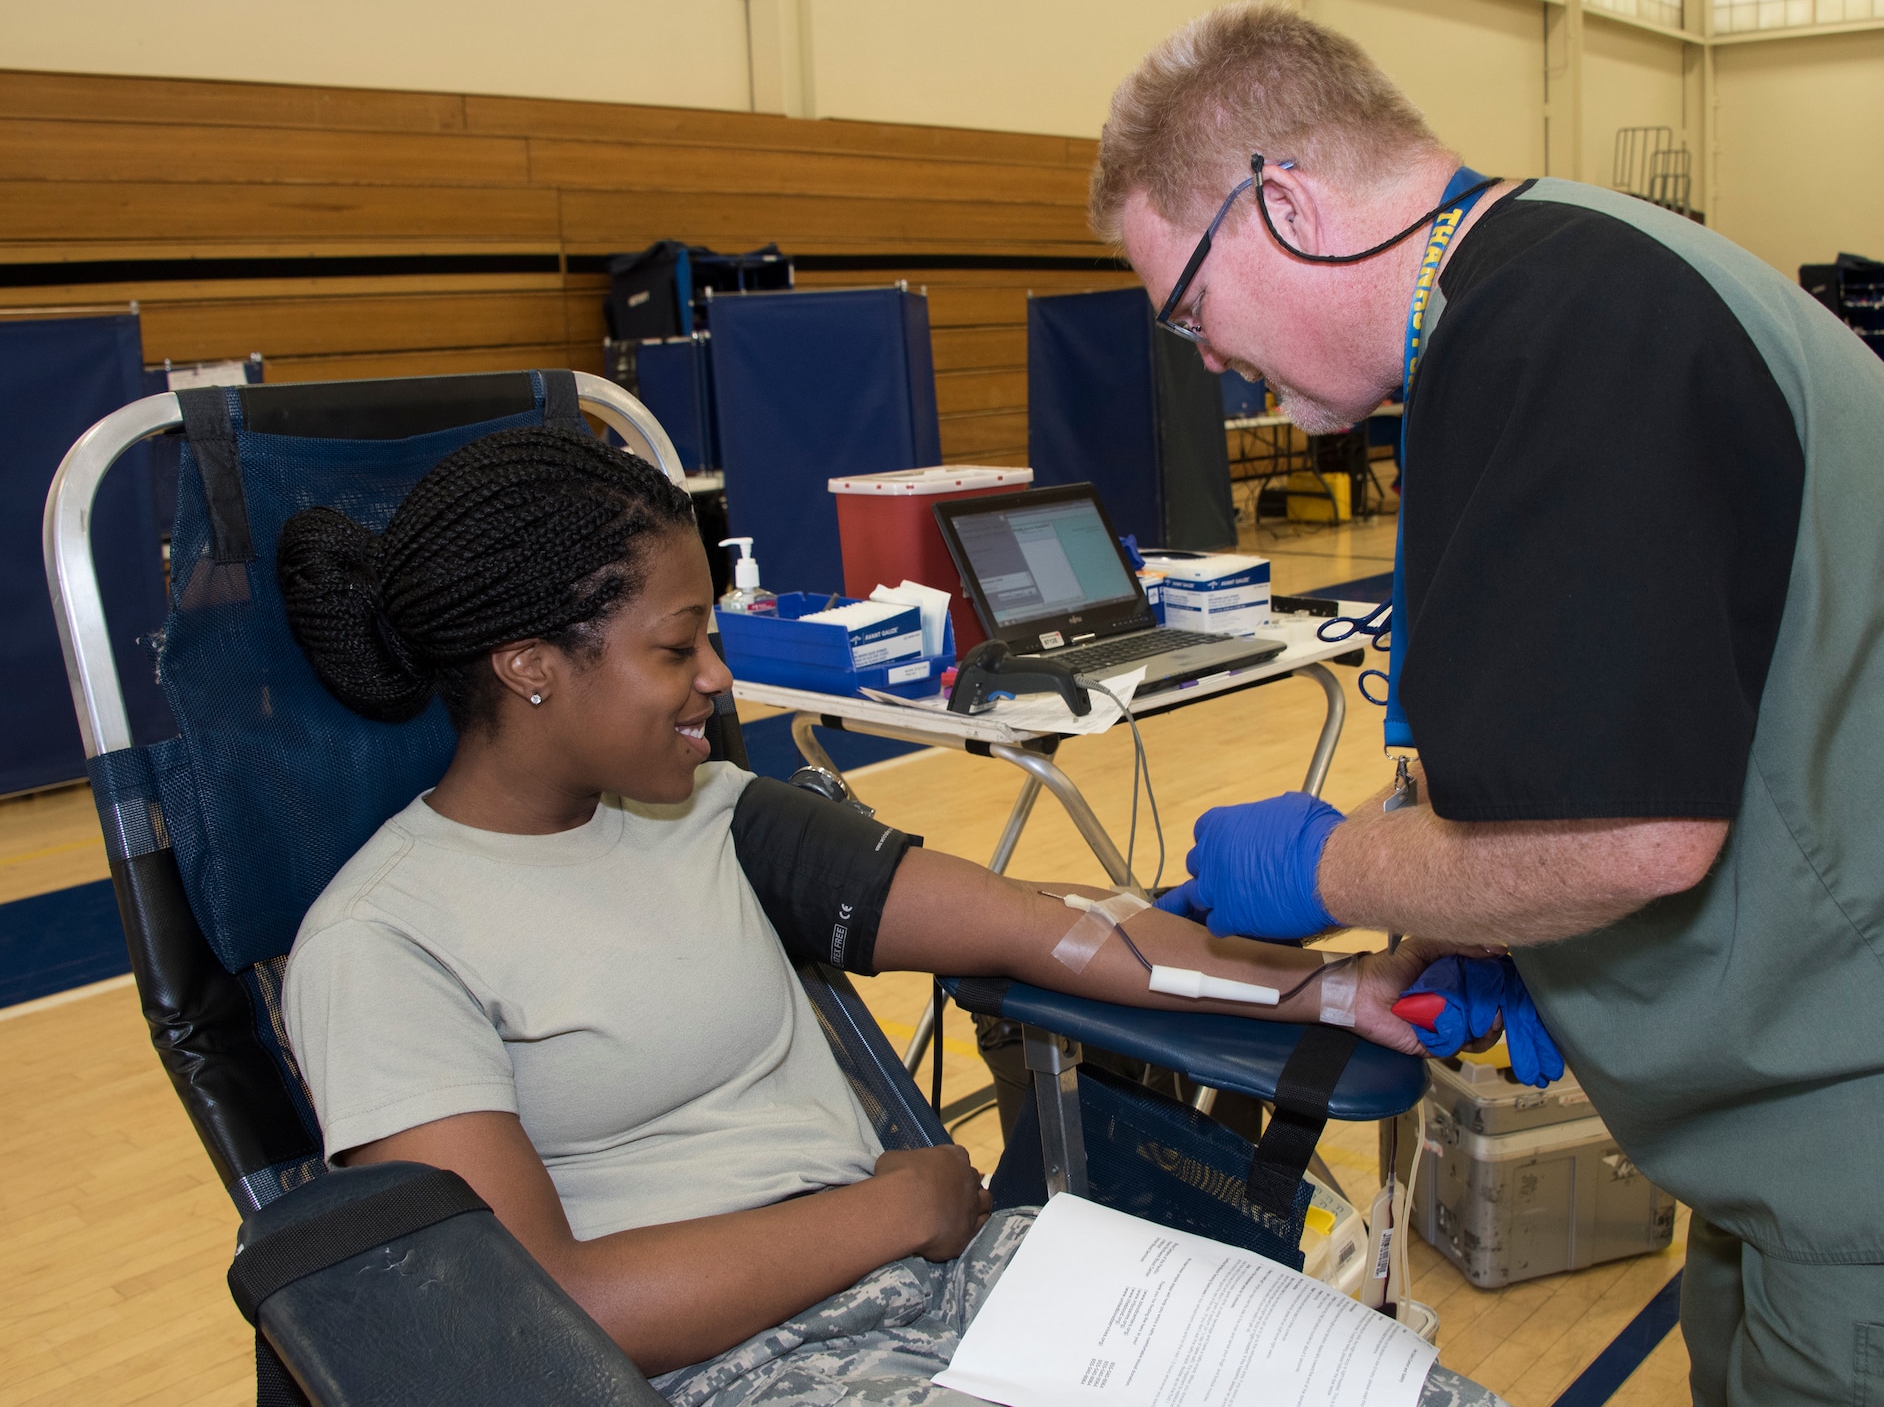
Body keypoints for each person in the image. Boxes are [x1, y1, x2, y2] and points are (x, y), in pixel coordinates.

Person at [1095, 2, 1884, 1407]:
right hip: (1796, 1128)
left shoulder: (1560, 321)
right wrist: (1478, 921)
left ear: (1282, 202)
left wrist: (1325, 863)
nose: (1203, 359)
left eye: (1190, 309)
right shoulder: (1553, 278)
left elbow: (1634, 835)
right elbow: (1633, 706)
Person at [273, 425, 1504, 1407]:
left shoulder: (711, 812)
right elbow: (537, 1307)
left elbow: (1032, 925)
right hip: (730, 1365)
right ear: (528, 663)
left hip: (965, 1279)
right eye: (677, 646)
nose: (716, 677)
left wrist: (1338, 989)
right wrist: (890, 1207)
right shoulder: (384, 939)